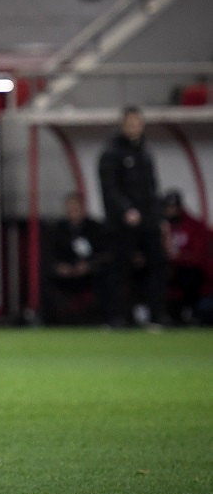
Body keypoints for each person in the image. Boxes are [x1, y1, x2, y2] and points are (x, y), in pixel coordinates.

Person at [98, 106, 167, 328]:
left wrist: (158, 216)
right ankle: (116, 317)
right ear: (122, 125)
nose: (135, 127)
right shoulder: (111, 153)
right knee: (119, 269)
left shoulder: (145, 152)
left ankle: (157, 315)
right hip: (121, 223)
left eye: (138, 123)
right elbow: (110, 188)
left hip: (148, 219)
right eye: (130, 123)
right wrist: (126, 209)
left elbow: (152, 187)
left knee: (157, 265)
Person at [44, 192, 110, 325]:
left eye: (76, 208)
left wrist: (89, 265)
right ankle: (49, 320)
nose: (72, 212)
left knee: (106, 276)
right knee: (46, 277)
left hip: (90, 272)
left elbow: (105, 254)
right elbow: (50, 254)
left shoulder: (95, 228)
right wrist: (60, 266)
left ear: (83, 209)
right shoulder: (58, 229)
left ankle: (104, 317)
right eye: (70, 209)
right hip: (67, 272)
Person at [161, 189, 210, 325]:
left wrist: (179, 257)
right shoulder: (160, 226)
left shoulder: (193, 225)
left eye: (173, 207)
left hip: (187, 268)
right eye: (167, 207)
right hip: (166, 267)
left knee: (190, 277)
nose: (170, 210)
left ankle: (189, 311)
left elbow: (198, 256)